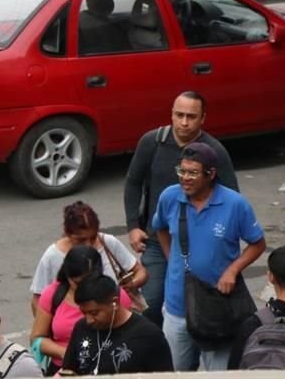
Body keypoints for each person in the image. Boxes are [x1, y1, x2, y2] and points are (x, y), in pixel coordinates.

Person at [123, 91, 237, 326]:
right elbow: (133, 183)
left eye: (191, 116)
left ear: (203, 118)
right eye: (179, 115)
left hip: (198, 244)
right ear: (171, 115)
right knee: (149, 306)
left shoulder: (214, 151)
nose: (184, 122)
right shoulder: (152, 142)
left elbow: (231, 200)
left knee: (195, 308)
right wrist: (133, 226)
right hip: (156, 241)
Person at [151, 142, 266, 371]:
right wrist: (172, 259)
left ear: (211, 174)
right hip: (177, 307)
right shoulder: (170, 197)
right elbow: (160, 228)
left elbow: (258, 244)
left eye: (192, 173)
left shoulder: (235, 204)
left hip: (217, 308)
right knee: (175, 372)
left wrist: (232, 270)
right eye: (181, 171)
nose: (185, 178)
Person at [31, 246, 134, 374]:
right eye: (77, 283)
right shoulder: (53, 294)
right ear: (67, 275)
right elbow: (37, 338)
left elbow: (130, 333)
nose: (84, 287)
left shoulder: (116, 296)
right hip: (64, 369)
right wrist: (68, 355)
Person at [32, 201, 145, 316]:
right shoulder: (52, 256)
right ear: (67, 233)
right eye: (81, 240)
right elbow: (38, 300)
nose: (89, 245)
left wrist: (132, 284)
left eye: (93, 238)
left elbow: (140, 272)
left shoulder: (108, 243)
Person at [61, 273, 173, 375]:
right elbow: (69, 369)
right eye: (84, 313)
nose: (89, 320)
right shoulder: (81, 327)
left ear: (115, 303)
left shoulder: (149, 336)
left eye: (94, 313)